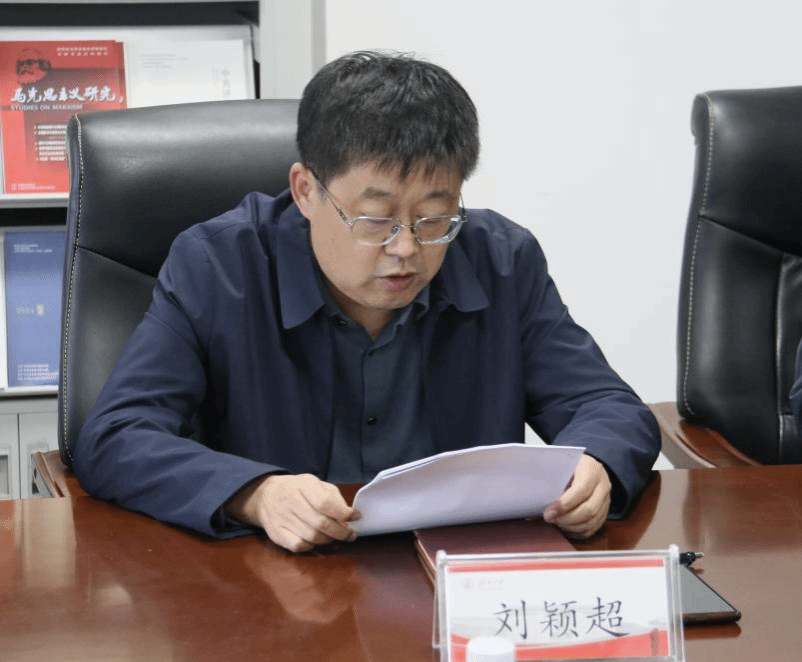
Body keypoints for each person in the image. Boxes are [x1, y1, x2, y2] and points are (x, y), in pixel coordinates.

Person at [74, 50, 660, 553]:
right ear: (306, 190)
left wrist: (597, 466)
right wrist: (255, 494)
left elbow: (607, 406)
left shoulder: (502, 261)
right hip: (276, 586)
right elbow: (116, 435)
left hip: (450, 578)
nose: (406, 248)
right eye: (376, 219)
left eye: (434, 217)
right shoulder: (218, 267)